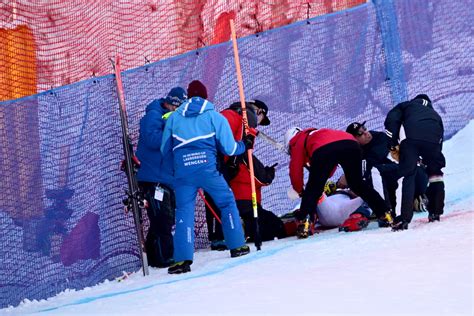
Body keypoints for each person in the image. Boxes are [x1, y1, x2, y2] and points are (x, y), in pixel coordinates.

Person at [161, 80, 254, 274]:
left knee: (184, 211)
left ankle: (182, 260)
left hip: (183, 172)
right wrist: (245, 144)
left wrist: (175, 170)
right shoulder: (214, 116)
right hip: (208, 170)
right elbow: (229, 148)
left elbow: (165, 150)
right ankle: (237, 245)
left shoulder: (174, 119)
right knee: (227, 202)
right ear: (206, 96)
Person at [284, 127, 393, 238]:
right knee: (357, 184)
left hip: (325, 150)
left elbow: (295, 170)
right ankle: (385, 213)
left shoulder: (296, 142)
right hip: (351, 144)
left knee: (313, 188)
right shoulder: (318, 134)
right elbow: (330, 166)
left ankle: (305, 223)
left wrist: (299, 190)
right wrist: (322, 176)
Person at [205, 100, 286, 248]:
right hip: (217, 160)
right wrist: (266, 174)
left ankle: (219, 235)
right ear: (259, 111)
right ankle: (222, 234)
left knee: (214, 196)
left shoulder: (234, 116)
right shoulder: (241, 118)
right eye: (261, 119)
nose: (259, 124)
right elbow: (244, 154)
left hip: (214, 158)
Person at [135, 86, 187, 268]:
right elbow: (153, 140)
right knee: (162, 218)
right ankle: (164, 255)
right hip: (152, 177)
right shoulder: (153, 115)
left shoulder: (171, 117)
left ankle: (154, 255)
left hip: (166, 177)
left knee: (166, 217)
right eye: (177, 107)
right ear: (171, 104)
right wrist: (171, 127)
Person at [384, 94, 446, 230]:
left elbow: (391, 118)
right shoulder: (434, 113)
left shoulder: (406, 105)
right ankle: (435, 213)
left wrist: (392, 142)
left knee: (407, 174)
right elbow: (440, 136)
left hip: (411, 139)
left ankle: (403, 218)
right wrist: (431, 159)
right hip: (433, 140)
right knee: (436, 175)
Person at [345, 121, 429, 216]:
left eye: (364, 128)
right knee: (372, 178)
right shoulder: (357, 150)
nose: (366, 133)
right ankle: (412, 200)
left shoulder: (380, 138)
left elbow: (369, 165)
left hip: (416, 176)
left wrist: (350, 181)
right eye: (360, 134)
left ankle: (386, 212)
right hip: (401, 179)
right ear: (355, 139)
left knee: (373, 172)